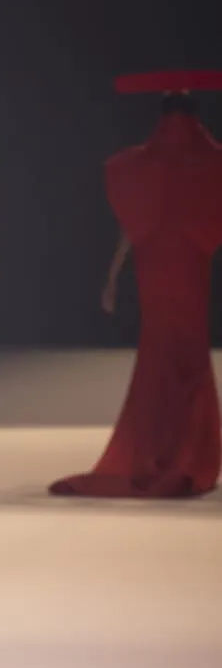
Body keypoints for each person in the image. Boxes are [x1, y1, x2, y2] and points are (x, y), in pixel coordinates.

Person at [51, 74, 222, 499]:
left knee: (160, 351)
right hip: (189, 265)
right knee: (187, 351)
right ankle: (189, 455)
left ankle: (158, 453)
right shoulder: (209, 165)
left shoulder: (141, 167)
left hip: (158, 267)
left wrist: (112, 277)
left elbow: (132, 227)